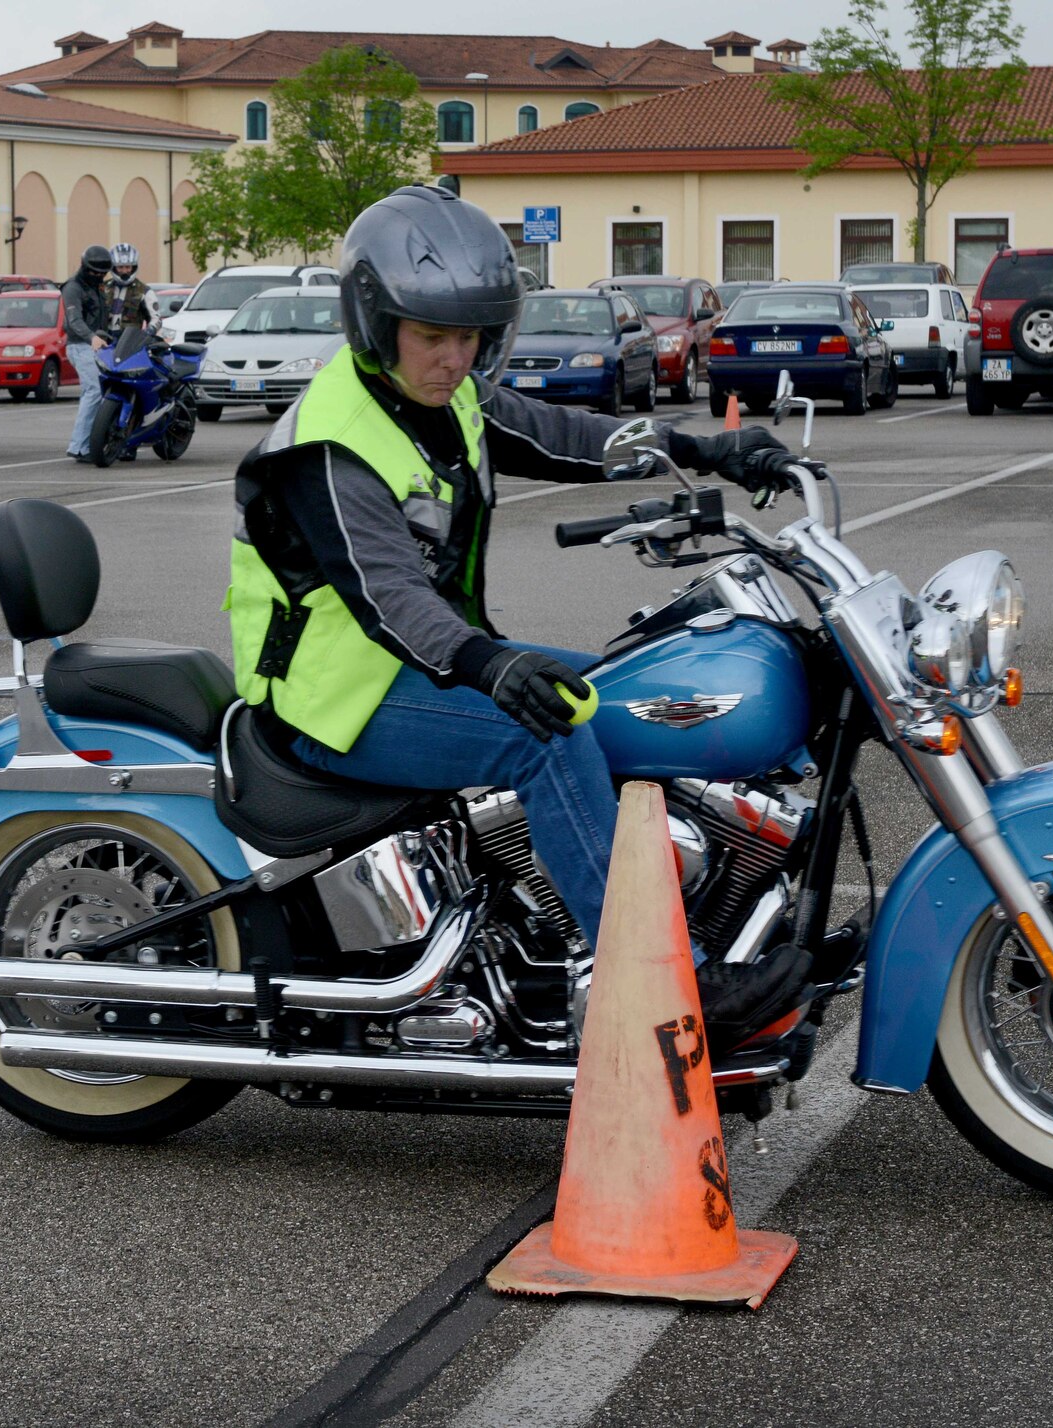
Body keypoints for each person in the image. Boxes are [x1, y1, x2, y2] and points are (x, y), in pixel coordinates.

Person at [226, 185, 811, 1049]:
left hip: (427, 661)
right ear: (373, 320)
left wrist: (706, 449)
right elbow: (389, 600)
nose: (453, 358)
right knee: (545, 732)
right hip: (340, 694)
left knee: (626, 693)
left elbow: (568, 436)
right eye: (432, 336)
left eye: (469, 337)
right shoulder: (329, 444)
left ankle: (627, 908)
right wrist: (491, 667)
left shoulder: (444, 396)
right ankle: (653, 976)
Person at [62, 244, 114, 464]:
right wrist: (91, 337)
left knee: (101, 393)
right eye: (94, 272)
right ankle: (79, 446)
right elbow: (74, 320)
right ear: (85, 267)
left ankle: (94, 441)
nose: (98, 276)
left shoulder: (98, 286)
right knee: (93, 390)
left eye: (102, 273)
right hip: (79, 345)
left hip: (99, 344)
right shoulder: (73, 287)